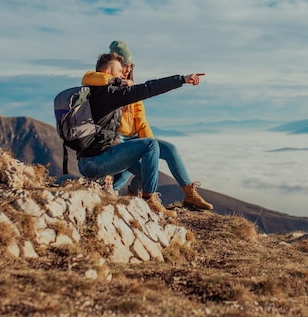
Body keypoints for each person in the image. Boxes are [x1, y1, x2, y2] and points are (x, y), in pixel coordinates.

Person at [81, 41, 213, 210]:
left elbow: (141, 119)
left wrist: (151, 150)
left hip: (128, 141)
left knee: (164, 150)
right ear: (110, 70)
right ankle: (132, 197)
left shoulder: (126, 89)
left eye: (129, 66)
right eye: (122, 67)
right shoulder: (106, 89)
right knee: (141, 159)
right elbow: (90, 77)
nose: (126, 71)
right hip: (112, 144)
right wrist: (117, 82)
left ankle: (188, 194)